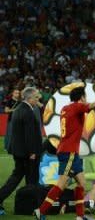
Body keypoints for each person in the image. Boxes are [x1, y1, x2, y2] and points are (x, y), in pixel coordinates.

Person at [35, 86, 95, 220]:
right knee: (61, 183)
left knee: (81, 183)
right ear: (81, 97)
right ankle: (41, 211)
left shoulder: (65, 108)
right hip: (69, 152)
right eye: (85, 97)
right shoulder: (77, 106)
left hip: (69, 151)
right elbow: (92, 106)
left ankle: (80, 216)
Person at [0, 87, 43, 216]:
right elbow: (29, 134)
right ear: (29, 98)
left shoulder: (19, 109)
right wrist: (32, 152)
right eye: (36, 97)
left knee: (17, 176)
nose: (37, 99)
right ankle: (32, 206)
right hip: (27, 153)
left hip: (19, 152)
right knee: (31, 179)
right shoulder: (28, 112)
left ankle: (30, 205)